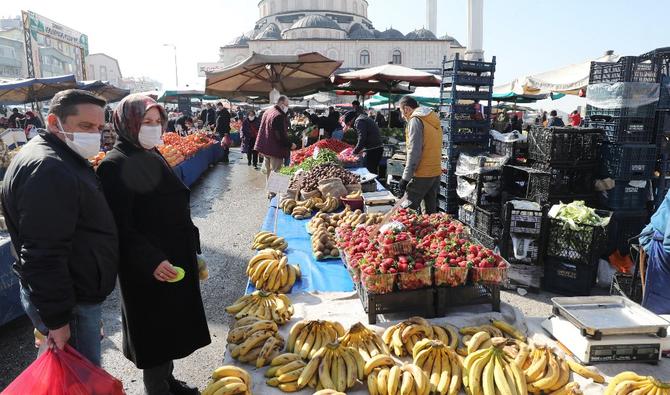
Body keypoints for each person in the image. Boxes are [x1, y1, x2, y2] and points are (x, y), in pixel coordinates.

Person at [96, 94, 210, 395]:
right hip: (149, 267)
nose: (154, 127)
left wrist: (192, 252)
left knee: (171, 328)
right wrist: (150, 260)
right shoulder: (114, 165)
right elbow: (120, 226)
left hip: (174, 256)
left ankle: (168, 381)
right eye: (146, 122)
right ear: (127, 122)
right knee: (155, 334)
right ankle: (157, 389)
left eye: (158, 121)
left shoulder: (151, 152)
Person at [1, 89, 119, 366]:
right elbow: (43, 252)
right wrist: (58, 320)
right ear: (54, 122)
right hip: (71, 301)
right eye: (85, 126)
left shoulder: (59, 156)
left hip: (73, 296)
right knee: (80, 378)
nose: (95, 134)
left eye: (99, 127)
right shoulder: (49, 167)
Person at [397, 96, 442, 214]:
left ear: (406, 109)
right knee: (430, 212)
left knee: (406, 212)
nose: (402, 116)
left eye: (402, 112)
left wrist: (405, 179)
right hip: (435, 172)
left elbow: (414, 151)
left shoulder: (415, 120)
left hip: (422, 173)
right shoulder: (432, 118)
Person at [255, 96, 295, 183]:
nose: (287, 107)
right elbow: (280, 136)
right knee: (276, 172)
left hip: (267, 148)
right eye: (287, 105)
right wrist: (290, 144)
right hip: (275, 150)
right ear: (281, 104)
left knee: (269, 172)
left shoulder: (268, 111)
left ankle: (269, 193)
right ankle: (274, 194)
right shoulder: (278, 115)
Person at [343, 109, 383, 175]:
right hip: (376, 148)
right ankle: (373, 183)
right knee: (372, 170)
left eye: (348, 124)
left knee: (370, 171)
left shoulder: (359, 121)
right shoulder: (362, 118)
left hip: (373, 149)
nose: (349, 126)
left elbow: (362, 138)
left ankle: (372, 184)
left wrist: (355, 152)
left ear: (351, 120)